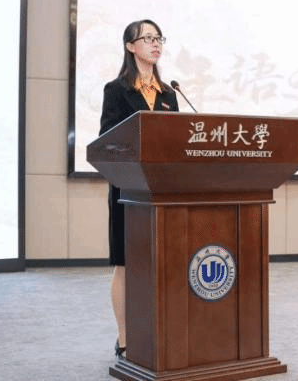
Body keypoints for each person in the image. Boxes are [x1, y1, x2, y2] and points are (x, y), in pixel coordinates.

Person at [99, 19, 178, 360]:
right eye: (147, 38)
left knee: (162, 263)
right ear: (130, 46)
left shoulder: (169, 94)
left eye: (159, 38)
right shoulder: (117, 90)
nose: (155, 44)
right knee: (126, 264)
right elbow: (107, 141)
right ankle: (125, 338)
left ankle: (160, 333)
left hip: (163, 191)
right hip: (128, 190)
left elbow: (176, 141)